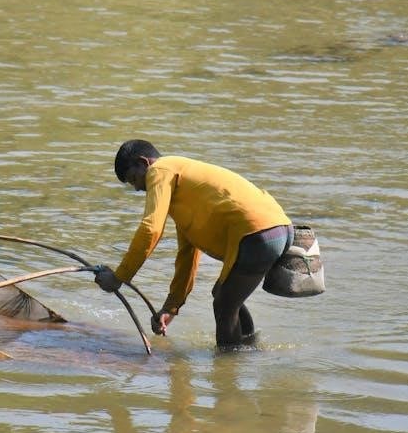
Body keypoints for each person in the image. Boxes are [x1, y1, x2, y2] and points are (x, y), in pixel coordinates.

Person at [94, 139, 293, 347]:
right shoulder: (183, 192)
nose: (137, 188)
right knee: (224, 296)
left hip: (258, 233)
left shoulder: (160, 170)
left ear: (144, 163)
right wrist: (171, 308)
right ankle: (248, 353)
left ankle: (228, 365)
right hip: (278, 229)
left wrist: (119, 277)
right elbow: (187, 258)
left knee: (224, 305)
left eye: (134, 179)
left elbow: (151, 229)